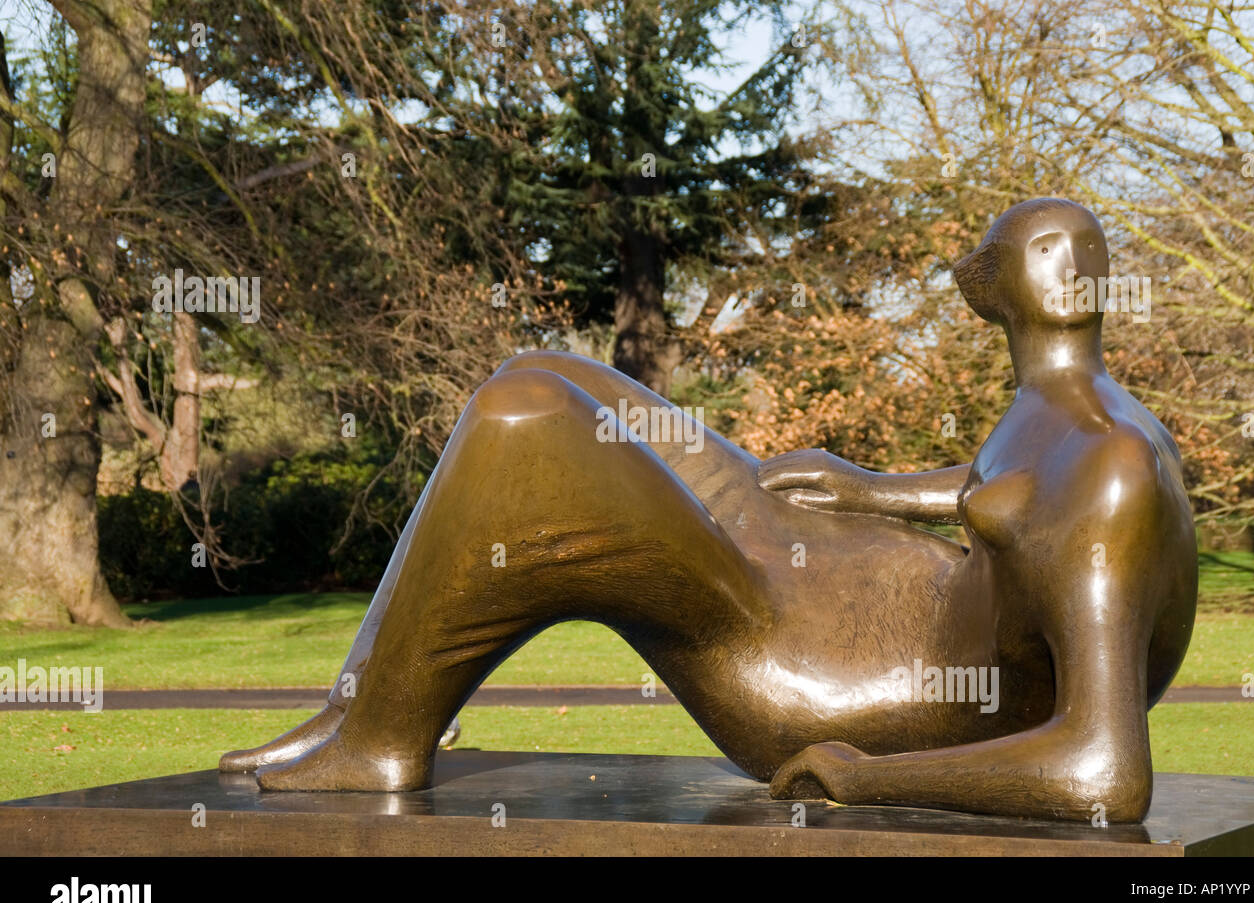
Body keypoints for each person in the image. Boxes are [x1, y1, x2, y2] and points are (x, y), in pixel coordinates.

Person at [222, 198, 1196, 823]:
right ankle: (358, 707)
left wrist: (864, 774)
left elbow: (1103, 768)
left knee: (524, 426)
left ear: (1013, 288)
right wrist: (868, 487)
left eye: (984, 260)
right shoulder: (1069, 411)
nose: (966, 275)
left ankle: (383, 743)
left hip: (826, 665)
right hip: (866, 579)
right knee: (543, 371)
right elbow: (1008, 495)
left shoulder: (1112, 472)